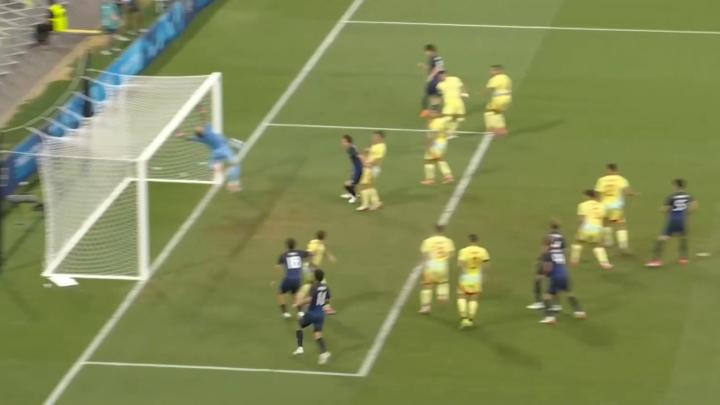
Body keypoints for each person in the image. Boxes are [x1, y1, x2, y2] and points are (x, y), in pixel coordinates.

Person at [176, 121, 243, 192]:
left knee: (212, 166)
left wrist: (181, 135)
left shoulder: (200, 138)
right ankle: (232, 182)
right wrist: (203, 115)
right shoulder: (208, 130)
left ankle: (222, 172)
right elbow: (206, 121)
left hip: (216, 153)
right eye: (200, 128)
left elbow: (188, 138)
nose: (201, 128)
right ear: (202, 132)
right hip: (224, 150)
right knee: (236, 165)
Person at [646, 179, 698, 267]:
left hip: (673, 220)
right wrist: (687, 212)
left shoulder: (671, 196)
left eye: (673, 185)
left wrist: (662, 210)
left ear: (676, 186)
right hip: (683, 220)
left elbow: (665, 209)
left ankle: (656, 260)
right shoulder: (688, 196)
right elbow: (695, 206)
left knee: (661, 238)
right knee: (683, 237)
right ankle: (683, 259)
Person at [539, 235, 587, 324]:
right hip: (565, 275)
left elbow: (547, 269)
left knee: (546, 296)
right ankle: (579, 312)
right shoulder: (559, 253)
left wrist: (544, 275)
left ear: (545, 245)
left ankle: (550, 317)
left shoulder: (547, 254)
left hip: (556, 277)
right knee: (569, 293)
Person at [293, 269, 332, 365]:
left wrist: (299, 303)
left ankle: (300, 348)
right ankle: (323, 353)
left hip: (312, 313)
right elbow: (327, 300)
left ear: (315, 277)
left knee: (299, 324)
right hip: (320, 314)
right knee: (318, 335)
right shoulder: (326, 287)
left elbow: (310, 299)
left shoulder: (314, 286)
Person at [595, 163, 637, 251]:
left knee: (606, 223)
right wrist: (634, 194)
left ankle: (608, 242)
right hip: (616, 206)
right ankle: (623, 245)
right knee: (620, 225)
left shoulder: (601, 180)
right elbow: (627, 192)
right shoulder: (621, 179)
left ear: (608, 170)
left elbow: (598, 194)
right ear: (616, 170)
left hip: (604, 206)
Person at [296, 231, 337, 314]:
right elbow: (310, 254)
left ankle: (299, 300)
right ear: (324, 237)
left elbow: (324, 251)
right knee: (323, 286)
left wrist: (329, 256)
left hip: (310, 267)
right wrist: (311, 266)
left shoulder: (319, 244)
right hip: (311, 267)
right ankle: (326, 307)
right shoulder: (315, 244)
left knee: (308, 285)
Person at [570, 190, 613, 269]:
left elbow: (581, 219)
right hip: (597, 228)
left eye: (584, 196)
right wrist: (603, 232)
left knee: (578, 242)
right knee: (598, 246)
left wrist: (579, 230)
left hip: (586, 227)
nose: (583, 197)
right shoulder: (602, 206)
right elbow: (605, 220)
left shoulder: (582, 205)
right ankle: (605, 263)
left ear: (588, 196)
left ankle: (574, 261)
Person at [527, 221, 565, 310]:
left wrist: (539, 259)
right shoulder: (561, 237)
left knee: (538, 279)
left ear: (550, 226)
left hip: (547, 259)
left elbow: (544, 248)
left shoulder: (548, 236)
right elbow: (563, 249)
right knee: (553, 281)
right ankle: (556, 305)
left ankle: (538, 302)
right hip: (558, 261)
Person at [418, 224, 455, 314]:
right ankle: (442, 295)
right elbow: (452, 253)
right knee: (442, 282)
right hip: (442, 265)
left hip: (431, 265)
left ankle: (425, 307)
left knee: (427, 286)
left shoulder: (428, 241)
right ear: (443, 231)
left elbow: (425, 255)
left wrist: (422, 266)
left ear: (434, 230)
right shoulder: (448, 241)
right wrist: (445, 258)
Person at [456, 234, 490, 329]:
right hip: (477, 276)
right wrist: (484, 275)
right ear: (477, 241)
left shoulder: (464, 251)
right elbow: (486, 264)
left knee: (462, 296)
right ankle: (470, 320)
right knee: (474, 298)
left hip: (467, 275)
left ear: (469, 240)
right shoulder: (483, 251)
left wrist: (463, 272)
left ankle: (464, 319)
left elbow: (460, 264)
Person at [421, 98, 454, 185]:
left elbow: (432, 136)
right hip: (443, 142)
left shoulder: (435, 124)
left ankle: (430, 179)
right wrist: (436, 105)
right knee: (437, 159)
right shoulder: (442, 120)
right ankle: (447, 176)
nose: (430, 114)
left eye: (432, 113)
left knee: (430, 160)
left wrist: (428, 146)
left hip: (437, 143)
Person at [276, 238, 310, 319]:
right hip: (298, 278)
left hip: (288, 278)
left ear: (286, 246)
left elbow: (277, 267)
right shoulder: (300, 252)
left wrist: (274, 279)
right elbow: (311, 254)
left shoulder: (283, 255)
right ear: (295, 245)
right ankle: (300, 312)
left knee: (280, 293)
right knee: (295, 294)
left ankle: (285, 312)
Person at [435, 71, 467, 139]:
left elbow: (461, 86)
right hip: (449, 104)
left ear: (446, 74)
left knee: (456, 119)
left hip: (458, 103)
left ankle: (452, 133)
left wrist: (464, 93)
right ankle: (443, 131)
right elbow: (440, 96)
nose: (440, 77)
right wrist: (439, 105)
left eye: (442, 75)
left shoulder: (455, 79)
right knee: (446, 118)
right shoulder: (439, 85)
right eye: (439, 77)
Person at [484, 65, 512, 136]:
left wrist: (481, 93)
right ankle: (501, 129)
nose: (490, 72)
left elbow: (489, 88)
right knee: (497, 112)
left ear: (498, 71)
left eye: (492, 70)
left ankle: (493, 129)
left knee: (489, 112)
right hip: (507, 98)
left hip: (499, 98)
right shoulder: (506, 77)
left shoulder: (495, 78)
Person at [420, 44, 445, 112]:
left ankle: (434, 110)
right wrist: (424, 67)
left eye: (427, 51)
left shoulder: (438, 58)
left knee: (435, 95)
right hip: (432, 80)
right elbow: (432, 69)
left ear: (431, 51)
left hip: (437, 80)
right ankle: (433, 110)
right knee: (431, 95)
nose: (426, 53)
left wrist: (431, 76)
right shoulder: (431, 59)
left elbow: (439, 67)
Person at [340, 134, 362, 204]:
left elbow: (359, 156)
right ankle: (351, 194)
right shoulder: (350, 148)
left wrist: (365, 164)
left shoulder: (351, 149)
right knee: (351, 183)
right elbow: (355, 160)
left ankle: (354, 196)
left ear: (349, 142)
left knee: (347, 184)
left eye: (344, 142)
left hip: (358, 170)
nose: (342, 143)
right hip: (356, 168)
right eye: (342, 142)